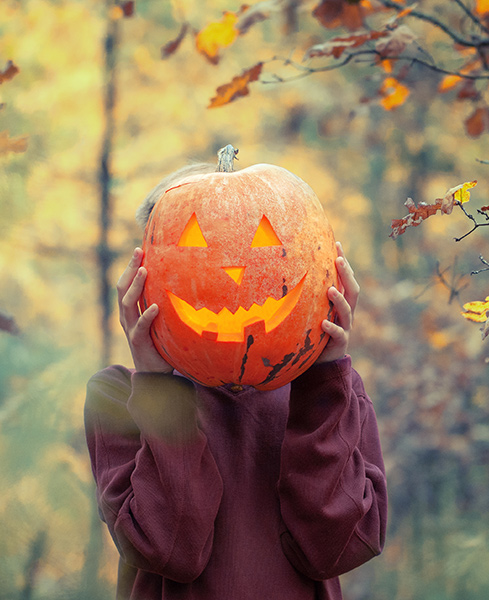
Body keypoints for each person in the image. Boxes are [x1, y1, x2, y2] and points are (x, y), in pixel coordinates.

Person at [85, 163, 387, 599]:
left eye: (258, 239)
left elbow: (338, 549)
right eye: (191, 241)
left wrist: (322, 375)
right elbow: (171, 549)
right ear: (142, 278)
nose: (232, 270)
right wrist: (156, 383)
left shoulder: (328, 394)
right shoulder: (118, 396)